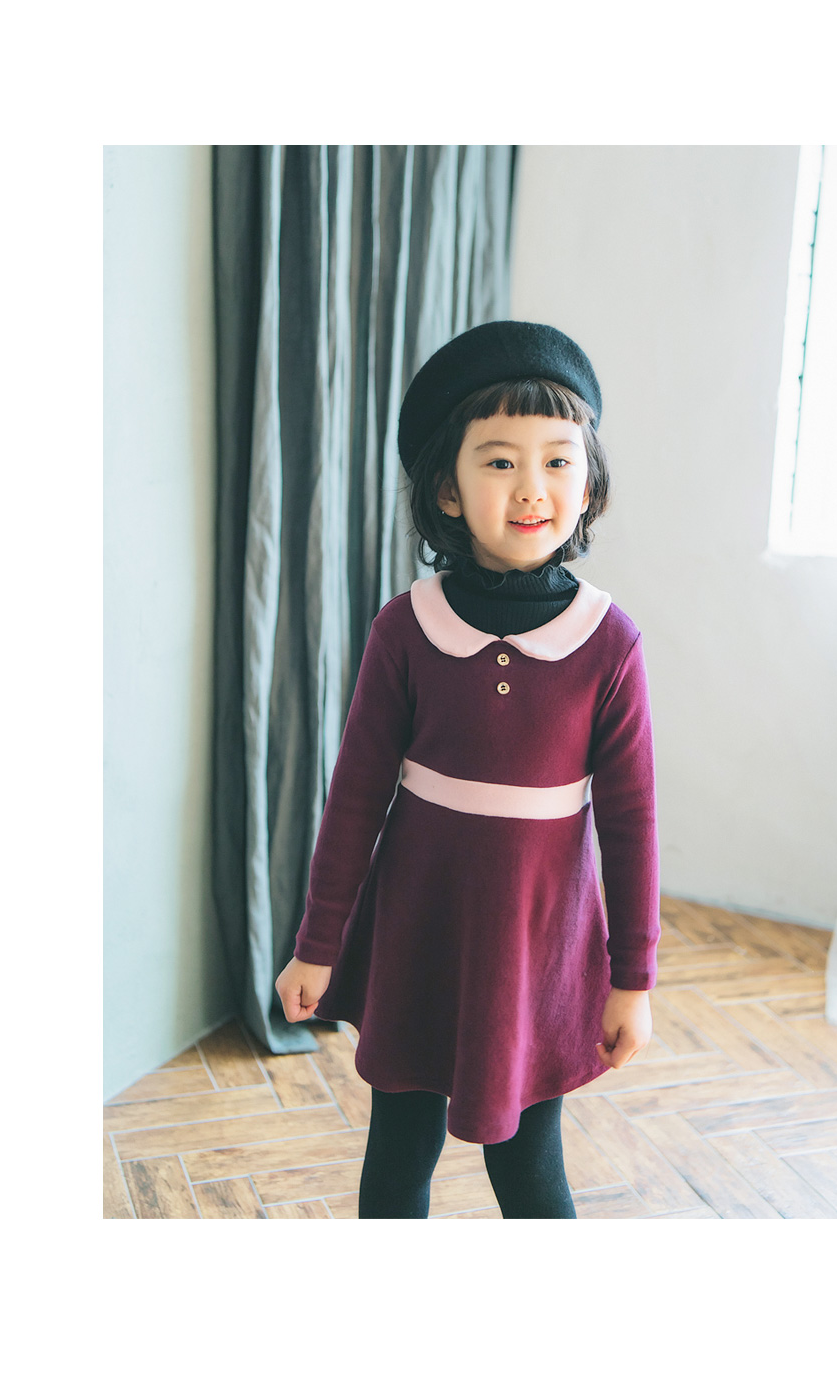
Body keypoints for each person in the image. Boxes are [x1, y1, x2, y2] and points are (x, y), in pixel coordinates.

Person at [275, 320, 660, 1219]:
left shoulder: (608, 641)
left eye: (558, 462)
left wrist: (632, 979)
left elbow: (631, 822)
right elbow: (355, 798)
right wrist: (316, 946)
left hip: (540, 952)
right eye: (499, 462)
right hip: (418, 938)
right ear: (447, 489)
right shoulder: (405, 628)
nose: (532, 488)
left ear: (588, 483)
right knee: (396, 1161)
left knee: (529, 1172)